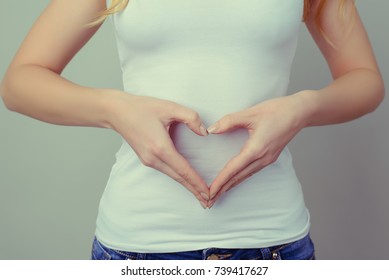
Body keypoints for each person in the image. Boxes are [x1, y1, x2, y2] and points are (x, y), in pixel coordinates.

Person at [0, 0, 384, 260]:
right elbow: (20, 83)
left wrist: (303, 107)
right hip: (139, 245)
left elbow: (364, 80)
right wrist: (114, 108)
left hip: (272, 241)